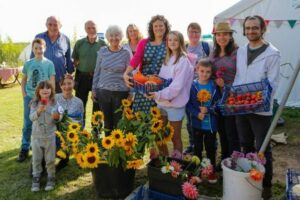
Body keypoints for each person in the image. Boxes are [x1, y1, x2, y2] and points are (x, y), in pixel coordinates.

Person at [233, 15, 280, 200]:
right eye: (248, 28)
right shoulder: (242, 51)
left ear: (262, 29)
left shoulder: (272, 53)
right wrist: (236, 97)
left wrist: (256, 99)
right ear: (244, 30)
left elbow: (273, 83)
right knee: (245, 143)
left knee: (262, 147)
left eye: (255, 28)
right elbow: (239, 77)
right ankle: (248, 177)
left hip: (260, 109)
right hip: (240, 107)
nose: (251, 31)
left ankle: (266, 185)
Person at [147, 31, 194, 158]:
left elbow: (176, 87)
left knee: (175, 137)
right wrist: (155, 80)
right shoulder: (167, 59)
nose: (172, 42)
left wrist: (157, 94)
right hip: (162, 103)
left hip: (175, 104)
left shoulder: (183, 61)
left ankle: (176, 164)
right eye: (170, 40)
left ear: (180, 42)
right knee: (158, 134)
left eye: (175, 40)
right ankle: (164, 161)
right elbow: (164, 80)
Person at [17, 38, 56, 162]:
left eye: (41, 48)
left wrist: (50, 97)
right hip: (29, 96)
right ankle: (24, 148)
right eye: (36, 48)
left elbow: (52, 82)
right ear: (33, 49)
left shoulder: (49, 63)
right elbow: (23, 80)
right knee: (28, 122)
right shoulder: (28, 64)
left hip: (43, 97)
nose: (39, 50)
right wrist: (24, 95)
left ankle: (42, 147)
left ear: (45, 48)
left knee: (44, 121)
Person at [123, 15, 171, 114]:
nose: (158, 28)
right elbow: (136, 59)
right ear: (151, 28)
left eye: (161, 25)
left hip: (162, 86)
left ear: (166, 27)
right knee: (141, 117)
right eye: (156, 26)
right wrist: (126, 73)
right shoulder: (144, 42)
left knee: (159, 118)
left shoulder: (169, 42)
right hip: (144, 85)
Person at [210, 22, 240, 165]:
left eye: (225, 34)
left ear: (230, 36)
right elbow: (210, 72)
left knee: (231, 133)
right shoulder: (213, 53)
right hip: (217, 99)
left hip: (232, 98)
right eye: (219, 35)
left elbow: (242, 75)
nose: (221, 37)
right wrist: (215, 79)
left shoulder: (237, 52)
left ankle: (234, 162)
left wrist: (227, 85)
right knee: (221, 131)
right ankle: (224, 160)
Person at [92, 25, 131, 133]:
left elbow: (130, 74)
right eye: (111, 36)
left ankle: (117, 148)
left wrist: (132, 92)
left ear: (121, 37)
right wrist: (94, 89)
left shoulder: (126, 53)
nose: (114, 38)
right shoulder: (102, 51)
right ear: (108, 38)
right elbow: (97, 71)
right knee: (107, 122)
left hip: (121, 92)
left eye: (117, 35)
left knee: (119, 122)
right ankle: (107, 147)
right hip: (103, 92)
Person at [186, 59, 220, 171]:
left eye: (208, 72)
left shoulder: (214, 87)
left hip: (210, 126)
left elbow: (218, 104)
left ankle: (211, 171)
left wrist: (208, 109)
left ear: (211, 73)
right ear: (197, 70)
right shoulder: (193, 86)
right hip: (197, 125)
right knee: (197, 148)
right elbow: (189, 104)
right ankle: (197, 170)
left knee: (211, 148)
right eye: (202, 71)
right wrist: (197, 114)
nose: (204, 74)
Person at [184, 22, 212, 154]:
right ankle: (193, 144)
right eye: (191, 32)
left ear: (200, 34)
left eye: (196, 32)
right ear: (188, 33)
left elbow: (212, 64)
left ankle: (211, 143)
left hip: (204, 86)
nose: (194, 34)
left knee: (206, 114)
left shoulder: (206, 46)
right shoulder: (184, 48)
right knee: (191, 116)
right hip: (189, 87)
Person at [30, 80, 62, 192]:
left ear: (51, 91)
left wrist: (56, 116)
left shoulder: (54, 103)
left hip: (50, 136)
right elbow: (31, 117)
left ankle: (51, 177)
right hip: (36, 136)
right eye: (42, 88)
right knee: (36, 159)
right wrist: (38, 111)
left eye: (48, 88)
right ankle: (36, 177)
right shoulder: (34, 103)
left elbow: (59, 117)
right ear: (38, 91)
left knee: (50, 159)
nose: (45, 90)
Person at [72, 20, 106, 126]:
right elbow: (75, 61)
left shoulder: (103, 44)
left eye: (93, 28)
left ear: (97, 28)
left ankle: (96, 132)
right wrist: (72, 76)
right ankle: (79, 131)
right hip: (81, 77)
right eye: (88, 28)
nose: (91, 30)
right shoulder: (79, 43)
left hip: (98, 78)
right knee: (80, 104)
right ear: (85, 29)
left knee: (97, 105)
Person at [31, 16, 74, 93]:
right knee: (43, 103)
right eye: (50, 24)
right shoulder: (39, 37)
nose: (52, 27)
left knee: (59, 103)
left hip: (60, 79)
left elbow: (68, 58)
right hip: (42, 79)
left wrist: (70, 72)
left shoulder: (65, 39)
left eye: (55, 25)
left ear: (60, 25)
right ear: (46, 25)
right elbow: (32, 57)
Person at [55, 74, 84, 170]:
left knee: (64, 155)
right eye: (64, 84)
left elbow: (80, 123)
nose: (67, 86)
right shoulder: (55, 98)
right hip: (56, 134)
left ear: (73, 84)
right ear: (60, 85)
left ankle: (66, 156)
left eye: (69, 83)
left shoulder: (79, 102)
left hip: (70, 136)